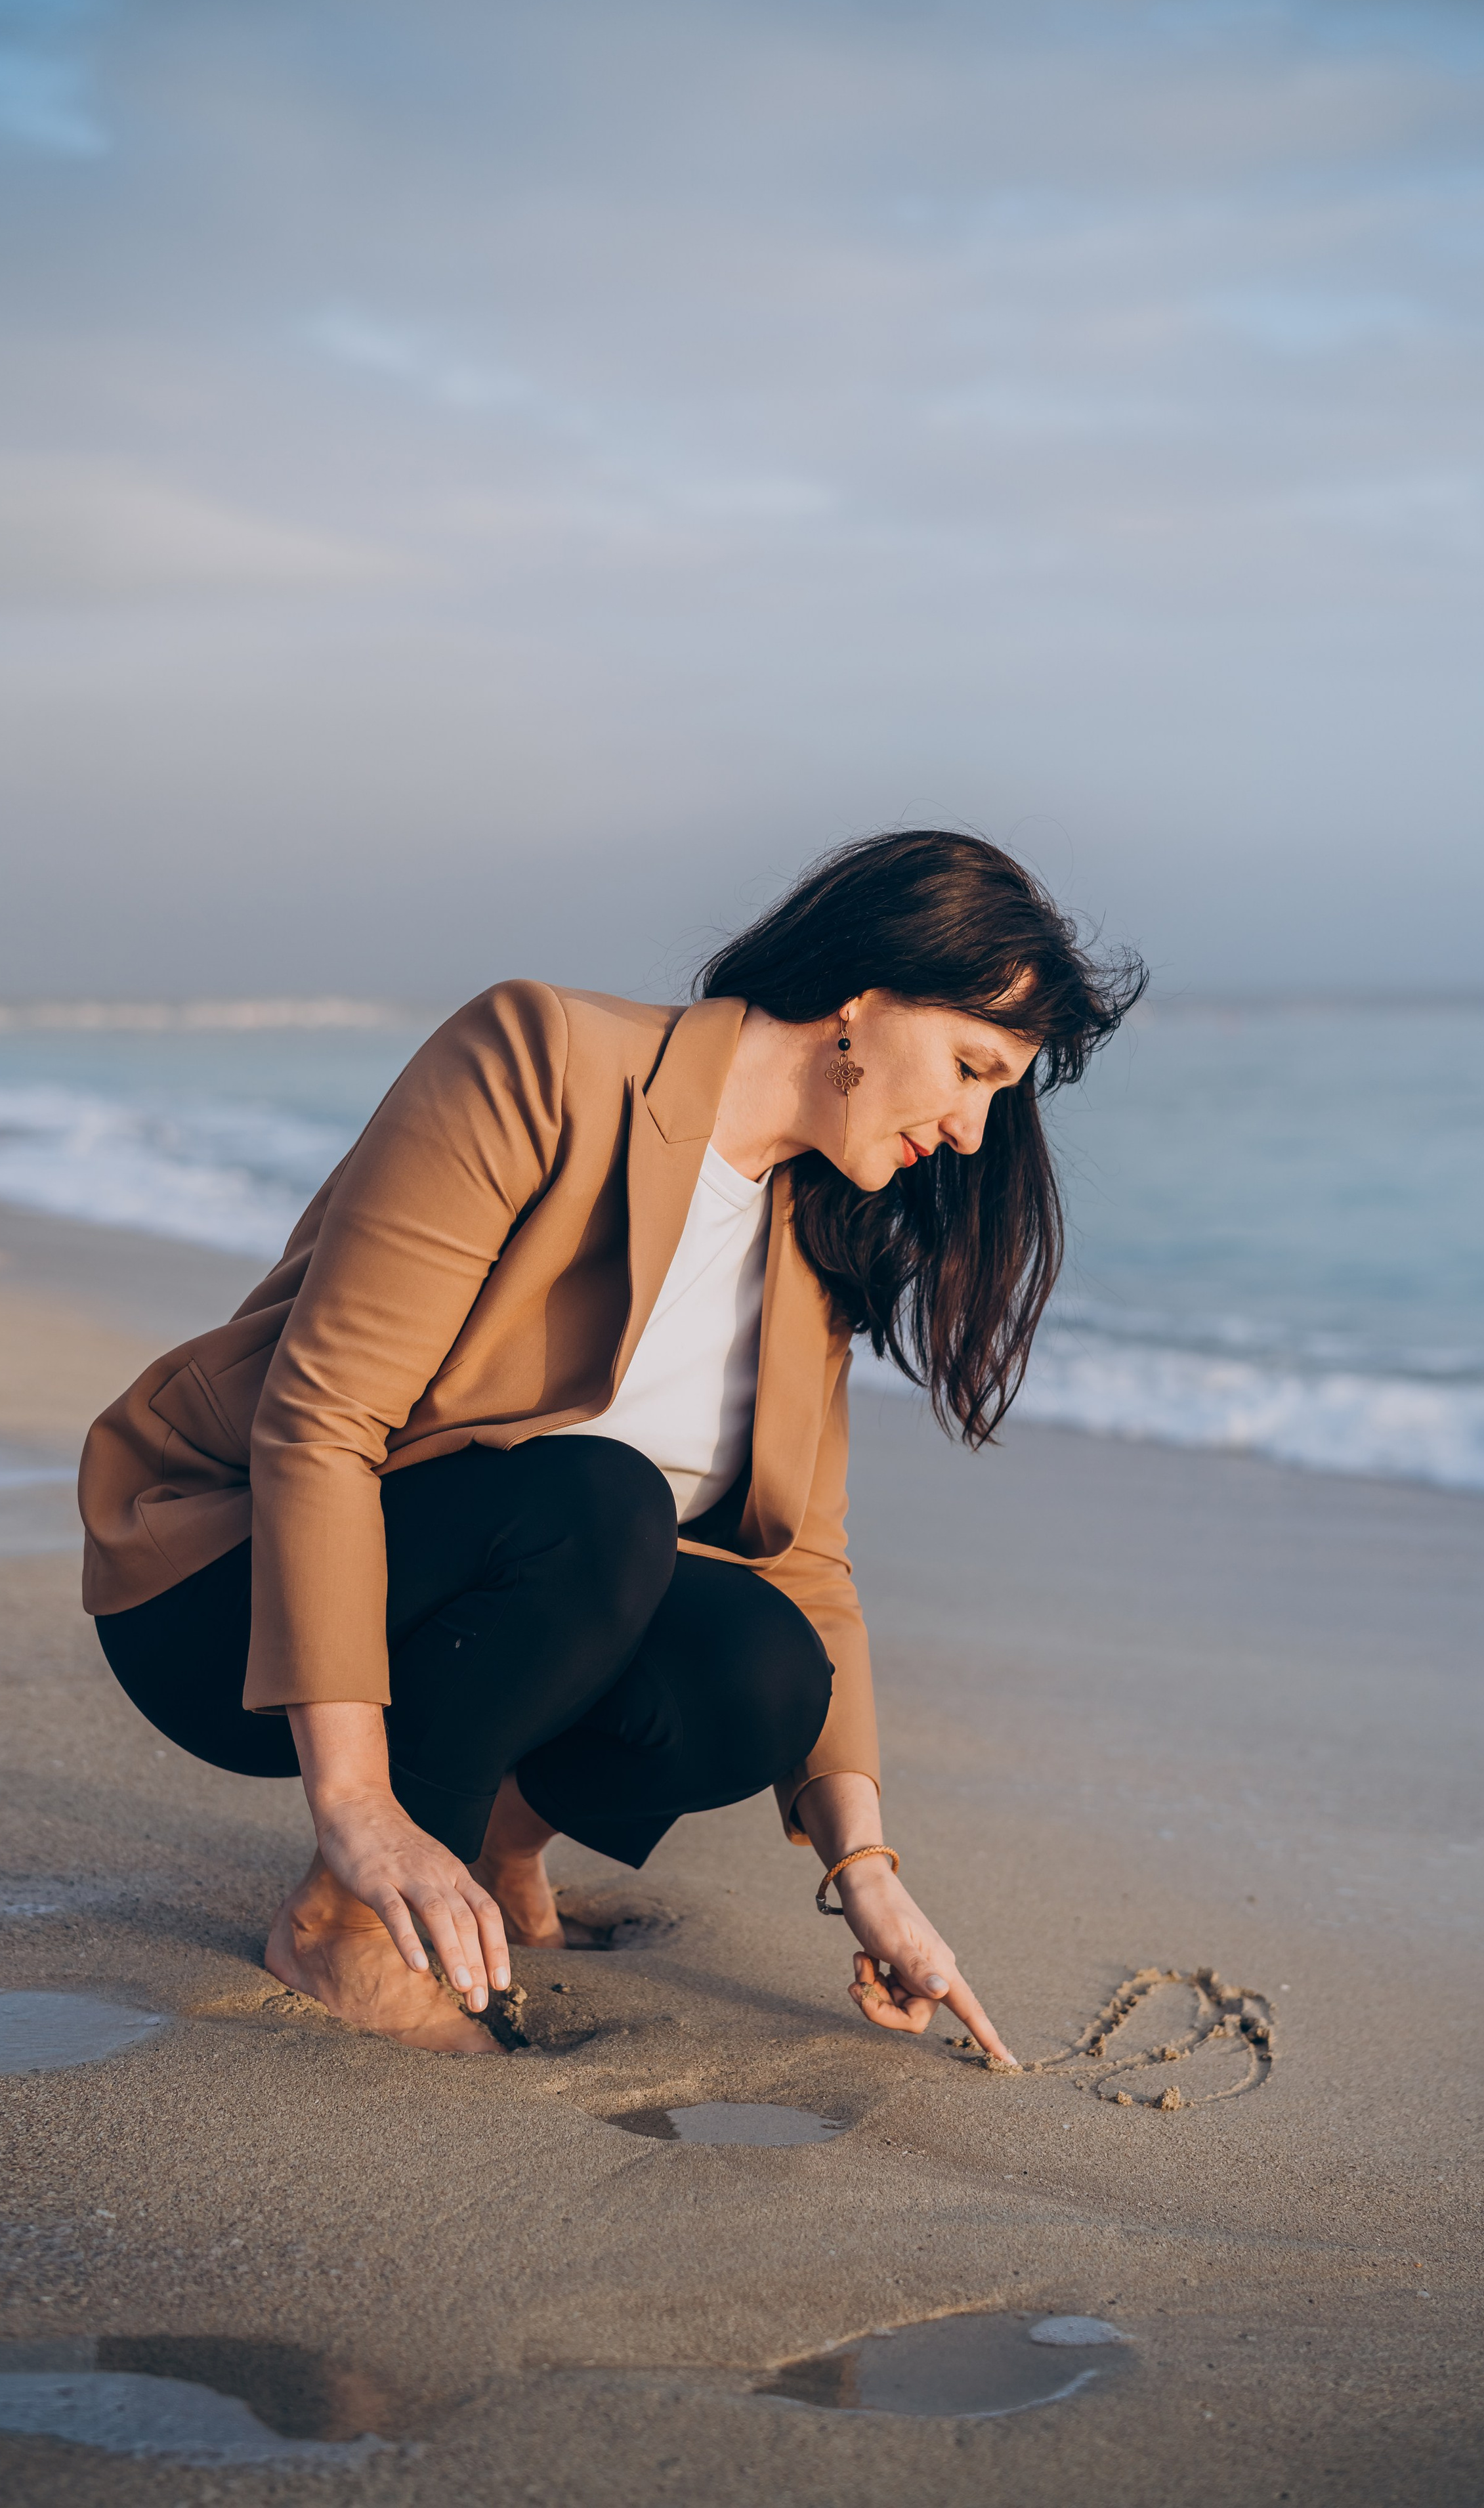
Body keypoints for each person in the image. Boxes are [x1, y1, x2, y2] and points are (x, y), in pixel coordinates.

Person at [79, 829, 1141, 2057]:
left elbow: (810, 1569)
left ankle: (488, 1847)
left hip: (463, 1621)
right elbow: (321, 1419)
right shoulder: (541, 1059)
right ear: (862, 999)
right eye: (972, 1067)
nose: (970, 1129)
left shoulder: (818, 1235)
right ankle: (346, 1926)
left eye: (1000, 1092)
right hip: (225, 1587)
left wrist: (867, 1872)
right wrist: (358, 1809)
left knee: (767, 1668)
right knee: (606, 1501)